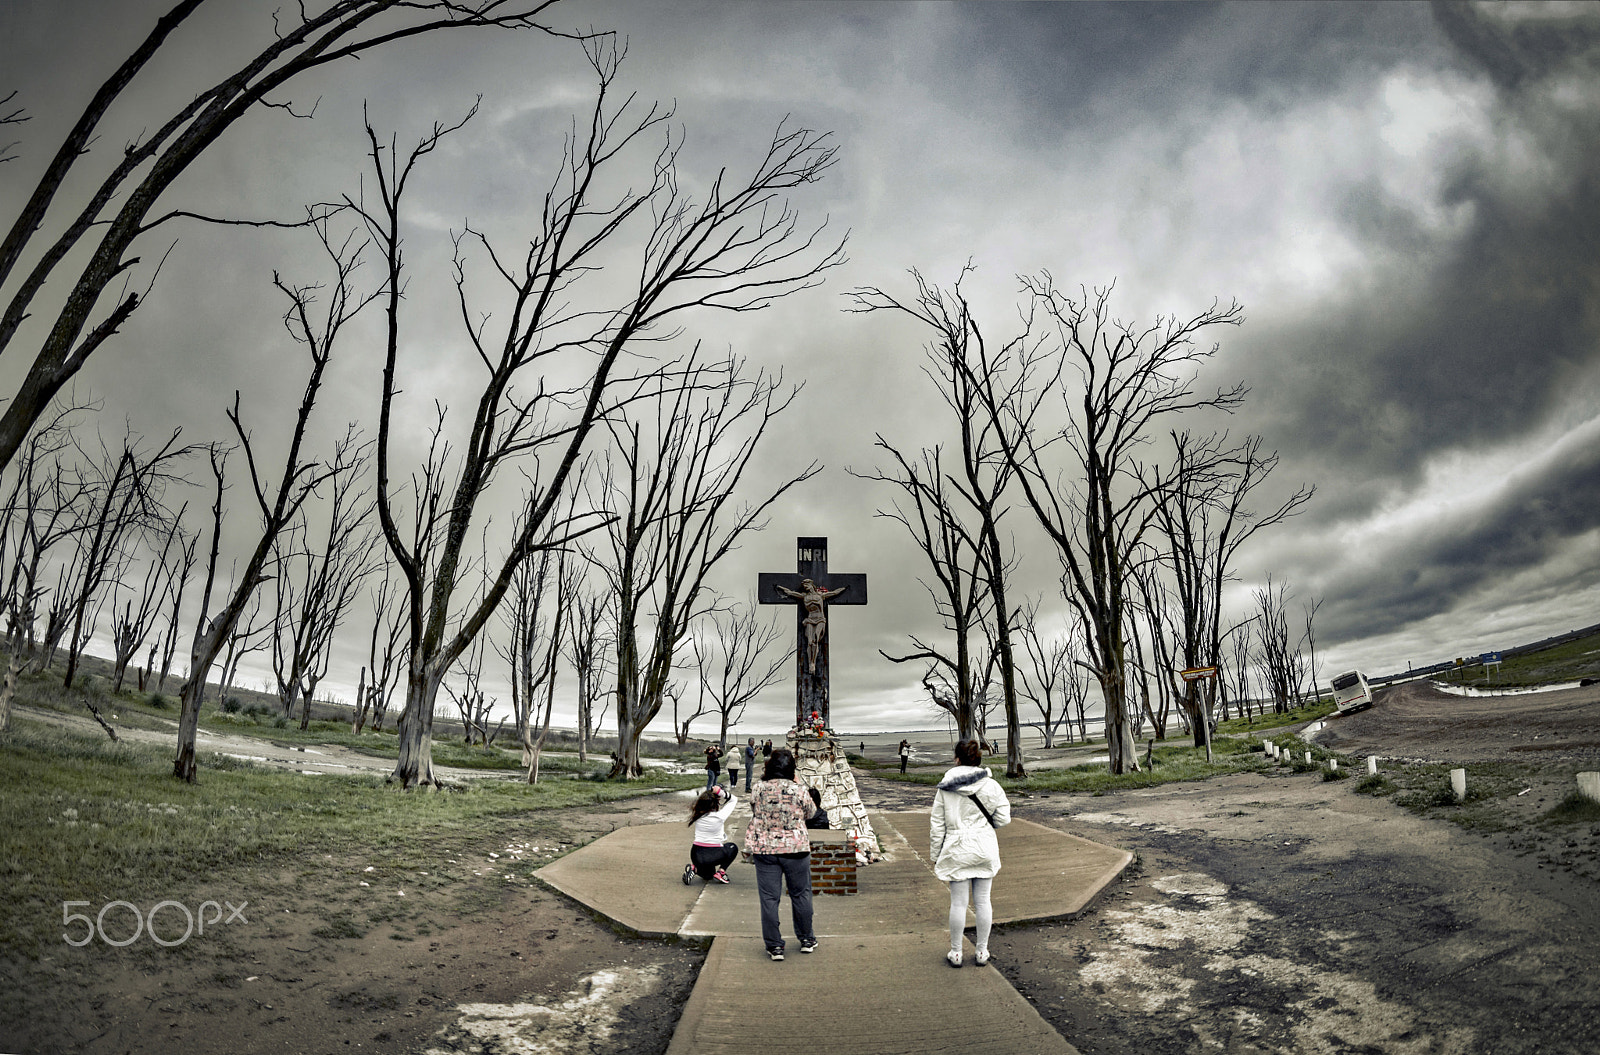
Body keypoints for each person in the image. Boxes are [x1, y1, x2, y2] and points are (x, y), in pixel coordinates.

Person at [929, 738, 1011, 968]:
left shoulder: (945, 787)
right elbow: (1004, 818)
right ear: (978, 758)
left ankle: (956, 952)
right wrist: (984, 827)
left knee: (958, 903)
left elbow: (937, 825)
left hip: (956, 848)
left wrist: (936, 853)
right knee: (983, 900)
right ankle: (982, 952)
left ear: (957, 758)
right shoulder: (992, 785)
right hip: (984, 846)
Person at [744, 747, 817, 961]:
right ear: (791, 768)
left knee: (769, 898)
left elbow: (754, 809)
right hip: (796, 849)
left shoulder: (758, 788)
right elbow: (811, 813)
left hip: (765, 849)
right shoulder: (799, 789)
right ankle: (806, 939)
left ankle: (775, 946)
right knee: (801, 894)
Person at [684, 785, 739, 885]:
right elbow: (734, 799)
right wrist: (721, 793)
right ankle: (721, 872)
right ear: (715, 803)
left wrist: (710, 793)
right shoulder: (719, 816)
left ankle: (694, 869)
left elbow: (702, 801)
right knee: (733, 847)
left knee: (709, 875)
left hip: (696, 855)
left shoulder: (697, 815)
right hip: (714, 855)